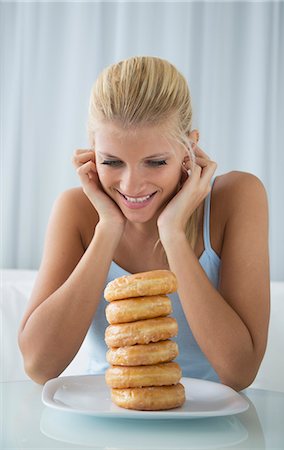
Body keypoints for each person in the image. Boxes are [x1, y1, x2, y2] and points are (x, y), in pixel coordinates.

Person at [18, 56, 270, 390]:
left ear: (189, 148)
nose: (131, 186)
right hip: (102, 423)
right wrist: (107, 228)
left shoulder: (237, 197)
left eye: (155, 162)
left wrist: (173, 234)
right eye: (112, 162)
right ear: (93, 152)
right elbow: (39, 365)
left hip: (210, 432)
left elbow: (239, 372)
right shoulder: (77, 210)